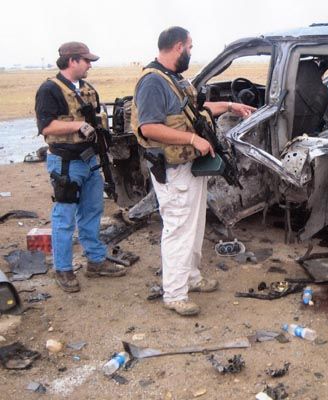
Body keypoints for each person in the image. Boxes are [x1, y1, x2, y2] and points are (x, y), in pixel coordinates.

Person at [131, 26, 255, 316]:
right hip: (172, 170)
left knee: (194, 226)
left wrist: (229, 105)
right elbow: (148, 127)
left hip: (189, 167)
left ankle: (191, 277)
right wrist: (191, 138)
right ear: (177, 47)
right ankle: (174, 294)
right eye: (189, 47)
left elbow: (197, 110)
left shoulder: (176, 80)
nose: (190, 51)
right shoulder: (152, 82)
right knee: (178, 229)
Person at [35, 42, 126, 293]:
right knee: (64, 218)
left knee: (92, 213)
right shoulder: (49, 90)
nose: (89, 65)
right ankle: (62, 269)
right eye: (86, 61)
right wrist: (76, 126)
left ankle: (95, 261)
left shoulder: (87, 89)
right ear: (72, 60)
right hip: (66, 163)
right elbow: (46, 127)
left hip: (90, 161)